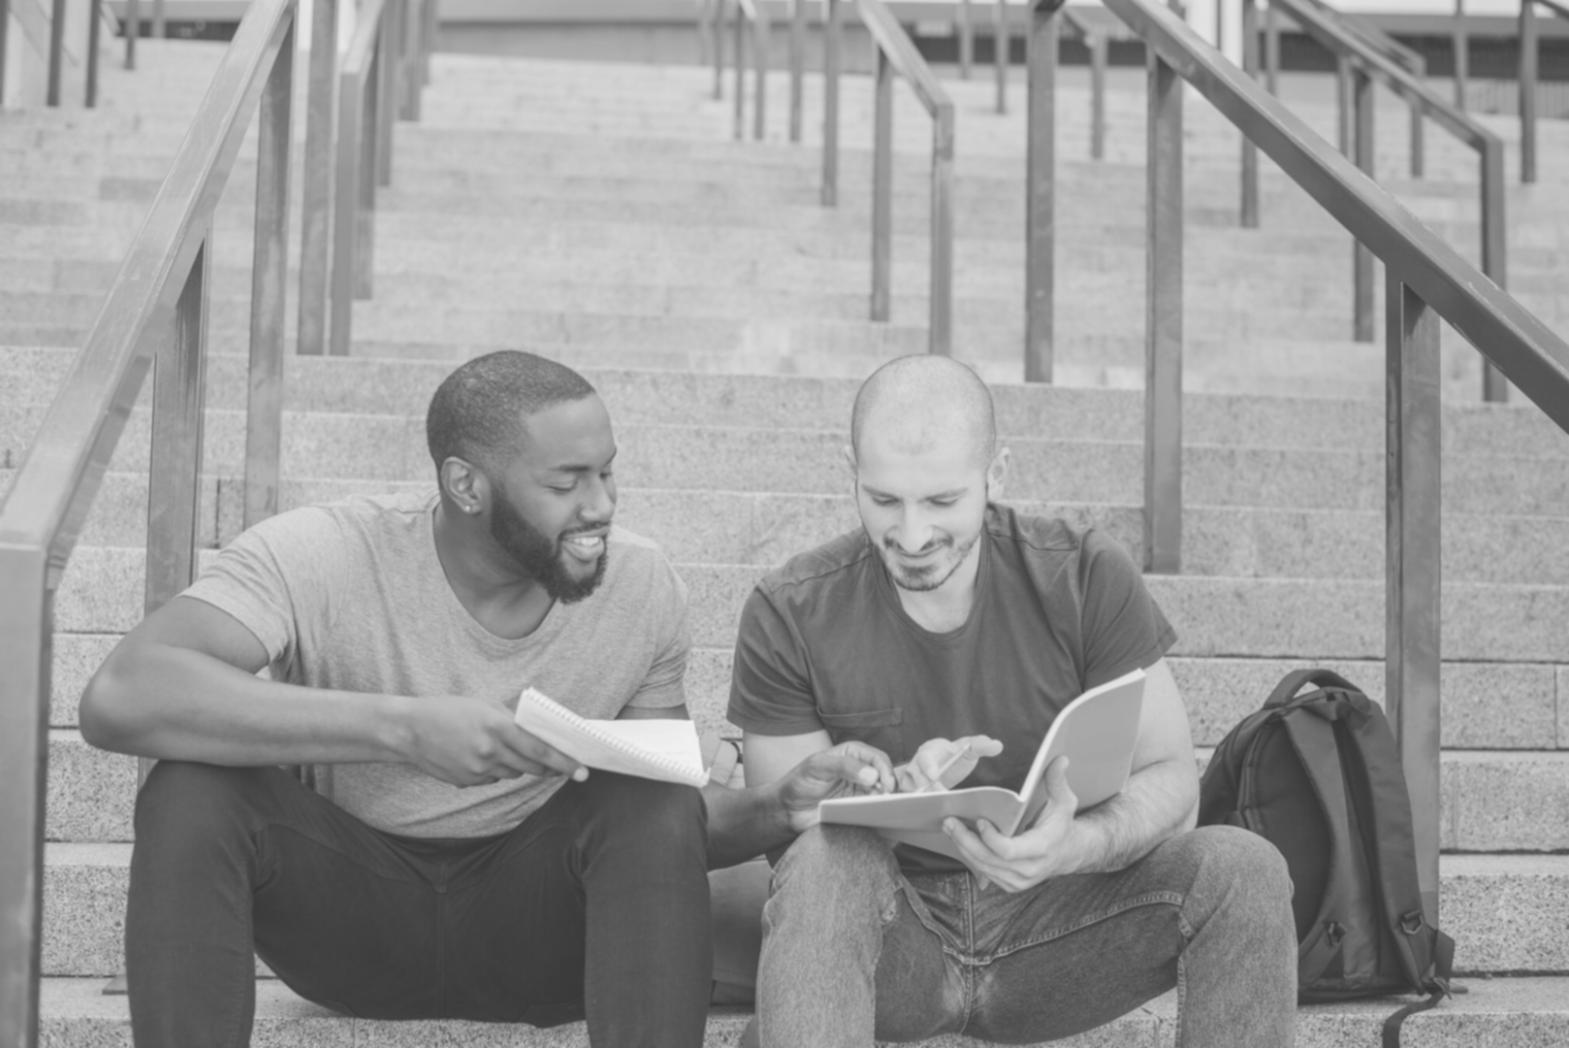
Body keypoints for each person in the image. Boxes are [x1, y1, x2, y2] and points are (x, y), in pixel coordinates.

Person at [79, 350, 890, 1048]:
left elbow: (671, 833)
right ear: (466, 484)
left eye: (606, 473)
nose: (600, 506)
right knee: (191, 786)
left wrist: (775, 808)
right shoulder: (323, 554)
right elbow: (123, 694)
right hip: (350, 925)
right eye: (566, 482)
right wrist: (399, 729)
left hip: (540, 939)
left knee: (647, 802)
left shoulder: (640, 588)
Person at [728, 354, 1298, 1048]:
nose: (910, 537)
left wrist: (1073, 846)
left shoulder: (1083, 574)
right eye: (883, 500)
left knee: (1243, 869)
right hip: (893, 948)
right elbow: (786, 836)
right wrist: (887, 802)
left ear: (996, 473)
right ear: (848, 468)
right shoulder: (789, 609)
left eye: (941, 501)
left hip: (1059, 932)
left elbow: (1171, 779)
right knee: (823, 858)